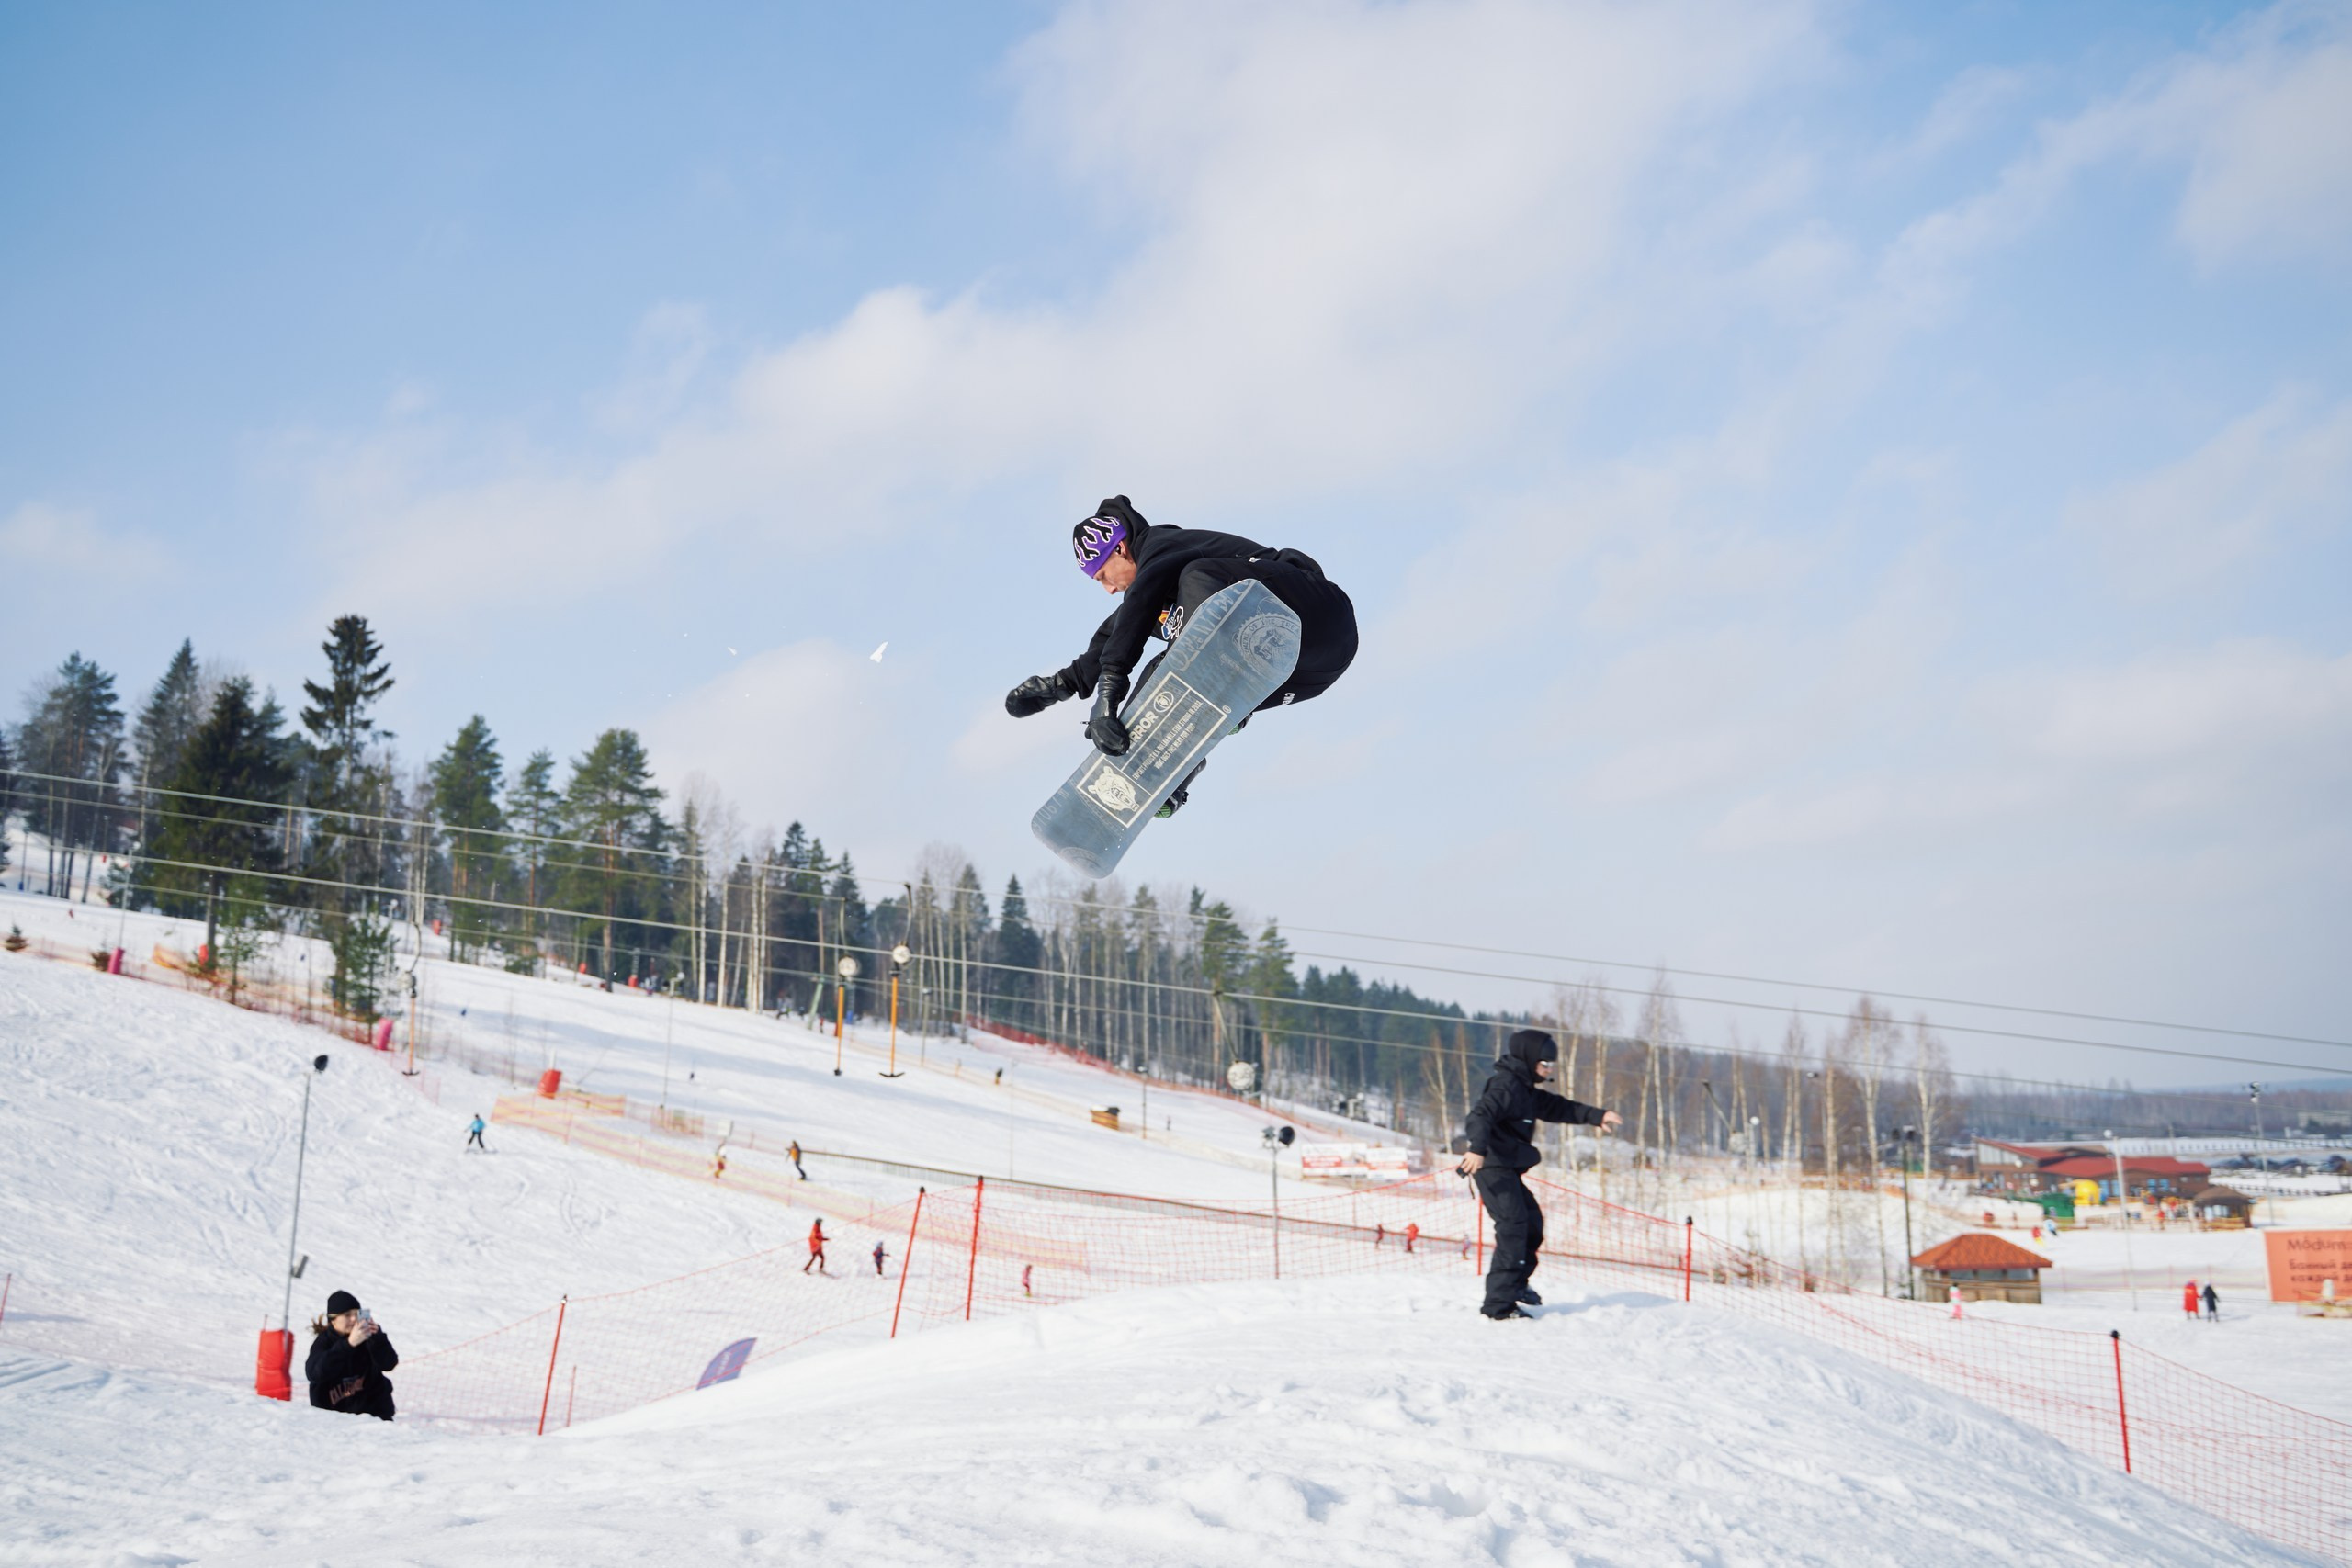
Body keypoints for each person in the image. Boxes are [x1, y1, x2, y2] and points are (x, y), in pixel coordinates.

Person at [1002, 496, 1359, 818]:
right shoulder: (1156, 596)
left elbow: (1140, 600)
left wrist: (1111, 688)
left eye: (1103, 576)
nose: (1109, 589)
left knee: (1189, 589)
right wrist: (1063, 684)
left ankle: (1209, 683)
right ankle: (1168, 776)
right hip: (1310, 669)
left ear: (1120, 549)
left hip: (1317, 611)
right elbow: (1119, 629)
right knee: (1158, 634)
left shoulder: (1163, 546)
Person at [1458, 1030, 1621, 1321]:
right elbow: (1480, 1115)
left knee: (1532, 1224)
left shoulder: (1525, 1091)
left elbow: (1559, 1107)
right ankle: (1498, 1306)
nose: (1549, 1070)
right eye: (1545, 1064)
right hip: (1491, 1167)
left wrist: (1597, 1116)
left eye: (1551, 1065)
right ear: (1529, 1059)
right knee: (1513, 1227)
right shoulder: (1506, 1086)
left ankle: (1517, 1284)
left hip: (1506, 1168)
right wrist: (1477, 1149)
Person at [305, 1290, 399, 1420]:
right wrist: (348, 1345)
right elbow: (314, 1373)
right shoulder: (324, 1342)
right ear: (333, 1320)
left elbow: (389, 1364)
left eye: (356, 1314)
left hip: (374, 1418)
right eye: (347, 1315)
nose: (354, 1319)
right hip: (334, 1421)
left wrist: (378, 1339)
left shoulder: (367, 1338)